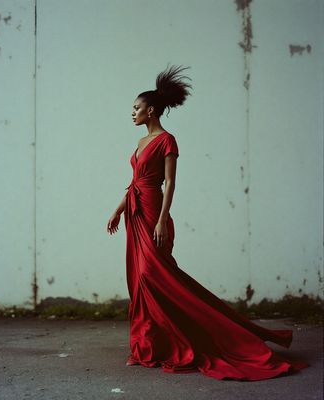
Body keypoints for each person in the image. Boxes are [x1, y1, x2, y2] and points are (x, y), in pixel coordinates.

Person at [106, 65, 309, 381]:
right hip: (135, 212)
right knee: (141, 282)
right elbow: (134, 182)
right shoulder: (140, 143)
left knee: (155, 276)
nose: (132, 112)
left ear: (152, 110)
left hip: (152, 213)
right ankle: (147, 348)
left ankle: (216, 336)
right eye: (132, 108)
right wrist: (118, 210)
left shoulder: (167, 141)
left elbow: (169, 184)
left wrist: (161, 221)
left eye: (136, 107)